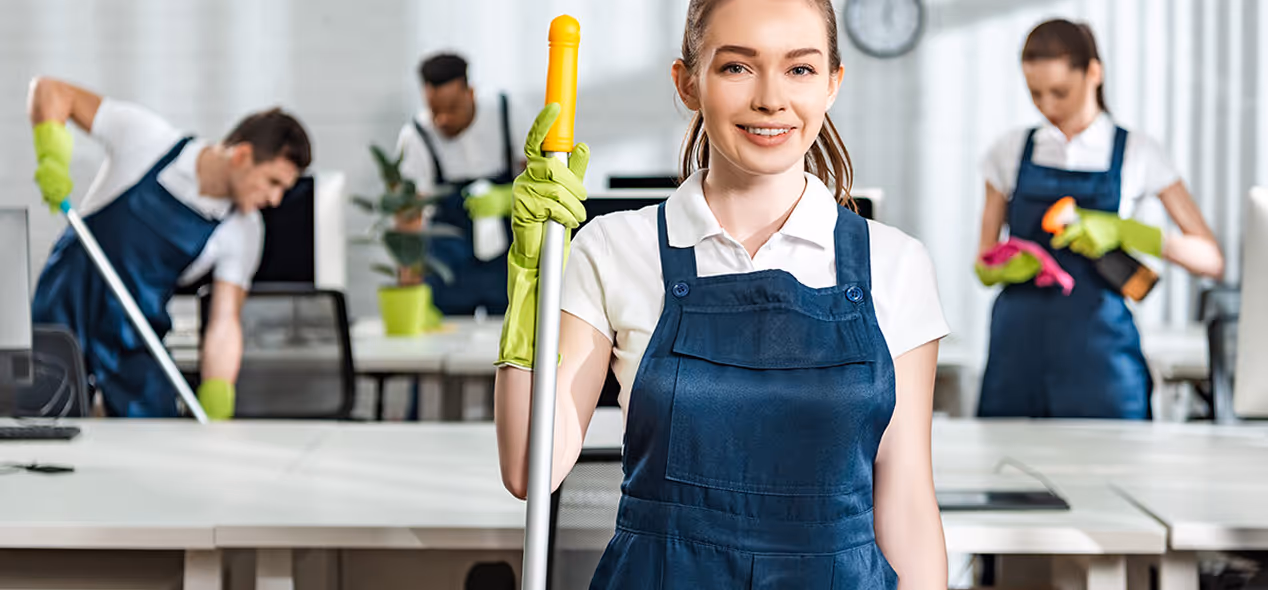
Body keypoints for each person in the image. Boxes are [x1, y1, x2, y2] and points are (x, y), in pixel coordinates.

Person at [494, 0, 950, 586]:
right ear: (687, 82)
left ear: (834, 83)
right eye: (737, 67)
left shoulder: (896, 264)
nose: (770, 98)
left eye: (800, 69)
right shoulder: (612, 248)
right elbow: (529, 467)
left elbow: (907, 499)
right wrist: (532, 278)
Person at [975, 19, 1225, 420]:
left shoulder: (1138, 152)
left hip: (1103, 362)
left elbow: (1210, 259)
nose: (1048, 106)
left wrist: (1127, 232)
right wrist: (1005, 266)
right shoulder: (1009, 152)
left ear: (1094, 73)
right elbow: (982, 260)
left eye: (1060, 92)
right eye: (1036, 94)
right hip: (1017, 357)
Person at [28, 77, 312, 419]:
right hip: (60, 317)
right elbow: (51, 91)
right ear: (242, 155)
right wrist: (51, 154)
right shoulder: (148, 140)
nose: (275, 199)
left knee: (160, 436)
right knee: (39, 424)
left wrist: (217, 396)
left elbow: (224, 323)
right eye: (273, 182)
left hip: (134, 338)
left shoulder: (244, 230)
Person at [396, 52, 525, 316]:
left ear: (471, 93)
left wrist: (509, 197)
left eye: (452, 109)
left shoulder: (507, 113)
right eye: (435, 111)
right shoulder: (416, 135)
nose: (443, 119)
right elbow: (410, 211)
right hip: (449, 260)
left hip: (508, 258)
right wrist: (409, 282)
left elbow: (544, 176)